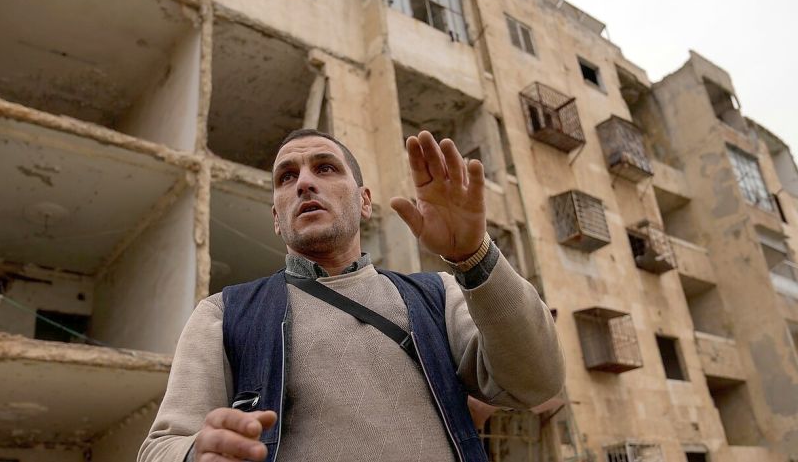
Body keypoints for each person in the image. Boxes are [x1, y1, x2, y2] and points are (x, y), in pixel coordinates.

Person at [138, 129, 564, 462]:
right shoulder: (224, 313)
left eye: (325, 168)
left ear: (364, 202)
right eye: (287, 176)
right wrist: (198, 452)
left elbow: (536, 383)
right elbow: (162, 447)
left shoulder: (438, 295)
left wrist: (473, 255)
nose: (304, 183)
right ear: (275, 218)